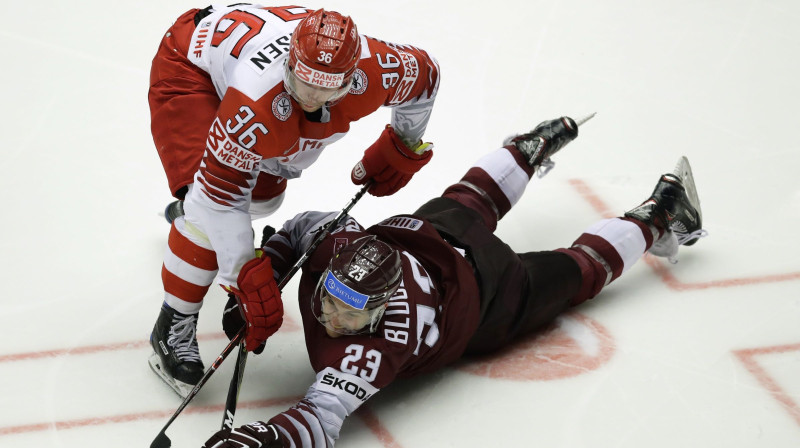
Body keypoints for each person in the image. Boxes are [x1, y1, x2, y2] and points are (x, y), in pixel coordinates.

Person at [200, 115, 708, 447]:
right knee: (469, 199)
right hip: (434, 235)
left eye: (349, 311)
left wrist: (268, 440)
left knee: (577, 270)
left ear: (378, 312)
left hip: (490, 296)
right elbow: (301, 226)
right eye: (329, 298)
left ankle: (662, 214)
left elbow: (320, 418)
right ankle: (528, 149)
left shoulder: (376, 348)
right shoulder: (335, 244)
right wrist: (268, 274)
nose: (330, 315)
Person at [147, 4, 441, 397]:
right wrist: (244, 278)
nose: (312, 97)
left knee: (262, 200)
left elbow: (426, 77)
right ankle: (172, 324)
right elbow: (220, 199)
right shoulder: (254, 101)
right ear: (289, 62)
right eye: (304, 82)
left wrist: (402, 144)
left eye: (327, 87)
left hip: (256, 92)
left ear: (352, 78)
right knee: (207, 210)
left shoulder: (378, 69)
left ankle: (193, 224)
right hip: (191, 69)